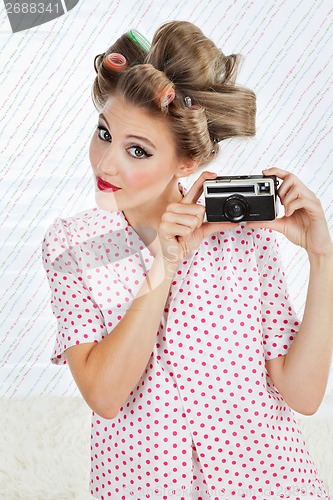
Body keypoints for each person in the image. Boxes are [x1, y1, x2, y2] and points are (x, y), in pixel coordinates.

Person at [41, 21, 333, 500]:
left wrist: (323, 258)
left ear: (186, 163)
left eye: (137, 150)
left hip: (268, 483)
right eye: (103, 133)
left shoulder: (242, 238)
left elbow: (301, 394)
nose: (106, 163)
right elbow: (105, 394)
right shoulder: (72, 246)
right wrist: (163, 263)